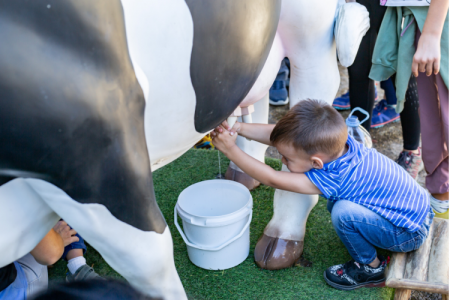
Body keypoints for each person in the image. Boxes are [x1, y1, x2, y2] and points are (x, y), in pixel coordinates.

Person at [211, 99, 433, 290]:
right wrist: (238, 127)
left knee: (343, 212)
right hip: (416, 212)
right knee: (344, 207)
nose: (282, 161)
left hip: (409, 232)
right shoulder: (340, 144)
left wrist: (231, 150)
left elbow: (272, 178)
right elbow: (282, 137)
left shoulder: (334, 177)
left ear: (315, 163)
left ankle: (371, 267)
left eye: (287, 159)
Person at [370, 0, 449, 218]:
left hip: (436, 20)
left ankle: (441, 203)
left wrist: (432, 33)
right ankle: (441, 204)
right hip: (417, 15)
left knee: (443, 118)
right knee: (433, 121)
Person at [0, 221, 75, 299]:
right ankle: (77, 264)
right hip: (13, 292)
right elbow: (50, 254)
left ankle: (77, 264)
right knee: (60, 228)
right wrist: (57, 238)